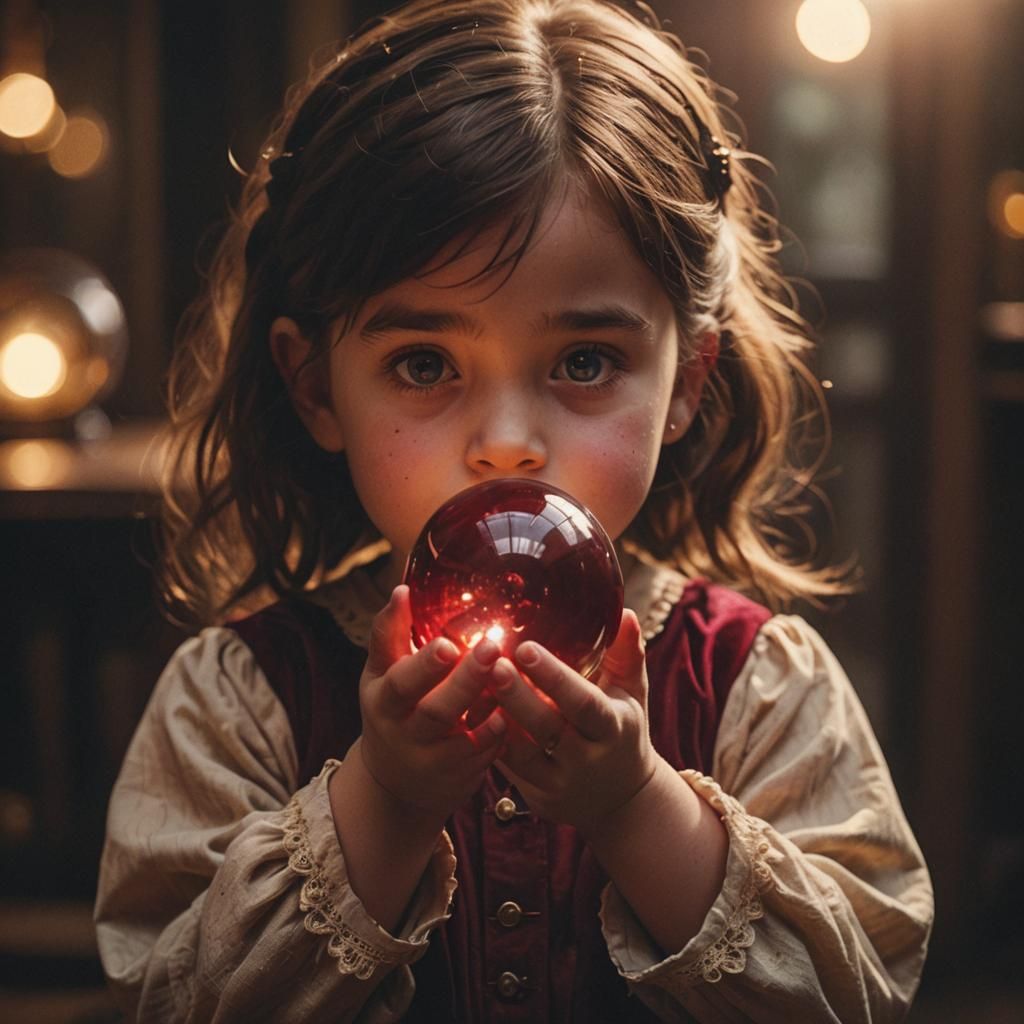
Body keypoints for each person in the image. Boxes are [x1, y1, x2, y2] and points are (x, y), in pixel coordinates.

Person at [95, 0, 934, 1020]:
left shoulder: (756, 686)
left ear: (685, 382)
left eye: (584, 362)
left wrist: (634, 807)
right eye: (422, 363)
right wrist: (386, 802)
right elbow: (172, 999)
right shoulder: (237, 699)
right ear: (315, 386)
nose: (505, 440)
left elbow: (857, 994)